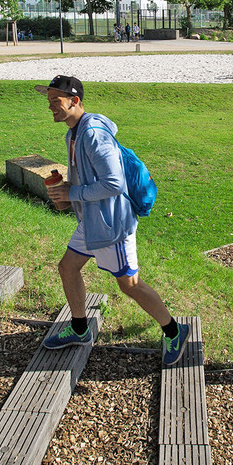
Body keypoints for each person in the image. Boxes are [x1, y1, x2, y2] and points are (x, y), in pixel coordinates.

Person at [37, 75, 191, 366]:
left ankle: (174, 330)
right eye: (49, 102)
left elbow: (113, 183)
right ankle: (80, 330)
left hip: (112, 224)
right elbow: (88, 177)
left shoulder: (94, 134)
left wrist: (73, 193)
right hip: (92, 221)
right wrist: (67, 192)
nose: (51, 108)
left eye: (56, 102)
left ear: (75, 101)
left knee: (129, 285)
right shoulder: (74, 132)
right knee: (67, 268)